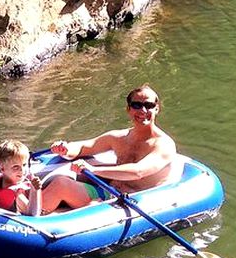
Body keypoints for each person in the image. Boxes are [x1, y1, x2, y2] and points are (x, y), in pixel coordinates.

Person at [41, 84, 178, 212]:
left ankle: (33, 218)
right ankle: (29, 204)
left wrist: (94, 170)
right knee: (57, 178)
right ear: (128, 109)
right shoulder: (119, 137)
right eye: (137, 105)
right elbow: (84, 147)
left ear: (156, 109)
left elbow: (138, 171)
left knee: (61, 185)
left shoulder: (163, 145)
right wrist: (65, 149)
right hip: (110, 191)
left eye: (148, 105)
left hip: (133, 201)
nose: (143, 110)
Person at [0, 139, 42, 216]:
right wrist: (35, 190)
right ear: (2, 169)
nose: (22, 170)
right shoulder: (16, 192)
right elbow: (33, 214)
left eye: (24, 165)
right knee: (59, 183)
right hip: (15, 223)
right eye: (16, 167)